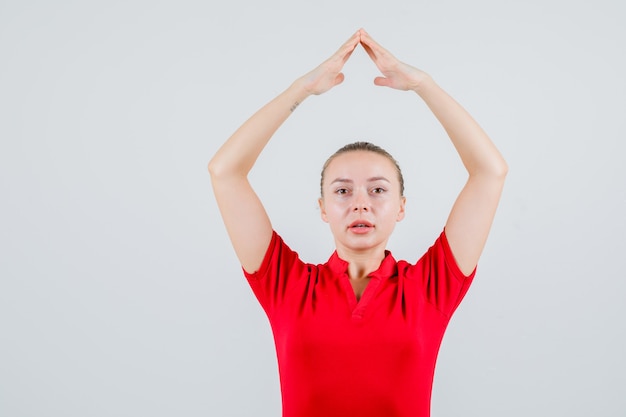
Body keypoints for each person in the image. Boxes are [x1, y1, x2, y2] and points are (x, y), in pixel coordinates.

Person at [209, 29, 507, 417]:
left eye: (378, 191)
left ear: (401, 207)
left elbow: (490, 171)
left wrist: (424, 86)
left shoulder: (429, 289)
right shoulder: (287, 285)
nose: (360, 205)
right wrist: (301, 89)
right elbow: (224, 171)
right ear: (322, 207)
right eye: (343, 191)